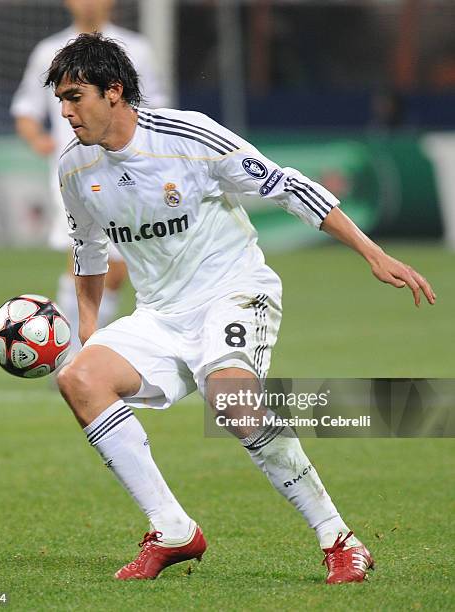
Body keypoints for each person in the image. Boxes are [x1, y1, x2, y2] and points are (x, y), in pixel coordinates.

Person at [46, 33, 436, 583]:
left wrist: (371, 252)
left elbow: (286, 185)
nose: (64, 111)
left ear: (114, 92)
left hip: (232, 289)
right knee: (80, 379)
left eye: (74, 95)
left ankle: (339, 538)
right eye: (60, 99)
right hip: (160, 314)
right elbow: (87, 251)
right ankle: (173, 529)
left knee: (231, 400)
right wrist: (90, 332)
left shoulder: (188, 136)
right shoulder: (73, 169)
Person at [10, 0, 168, 360]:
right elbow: (25, 109)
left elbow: (155, 107)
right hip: (74, 173)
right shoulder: (49, 51)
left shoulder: (136, 49)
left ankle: (70, 349)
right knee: (86, 255)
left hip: (128, 169)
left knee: (116, 268)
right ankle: (70, 355)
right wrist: (37, 138)